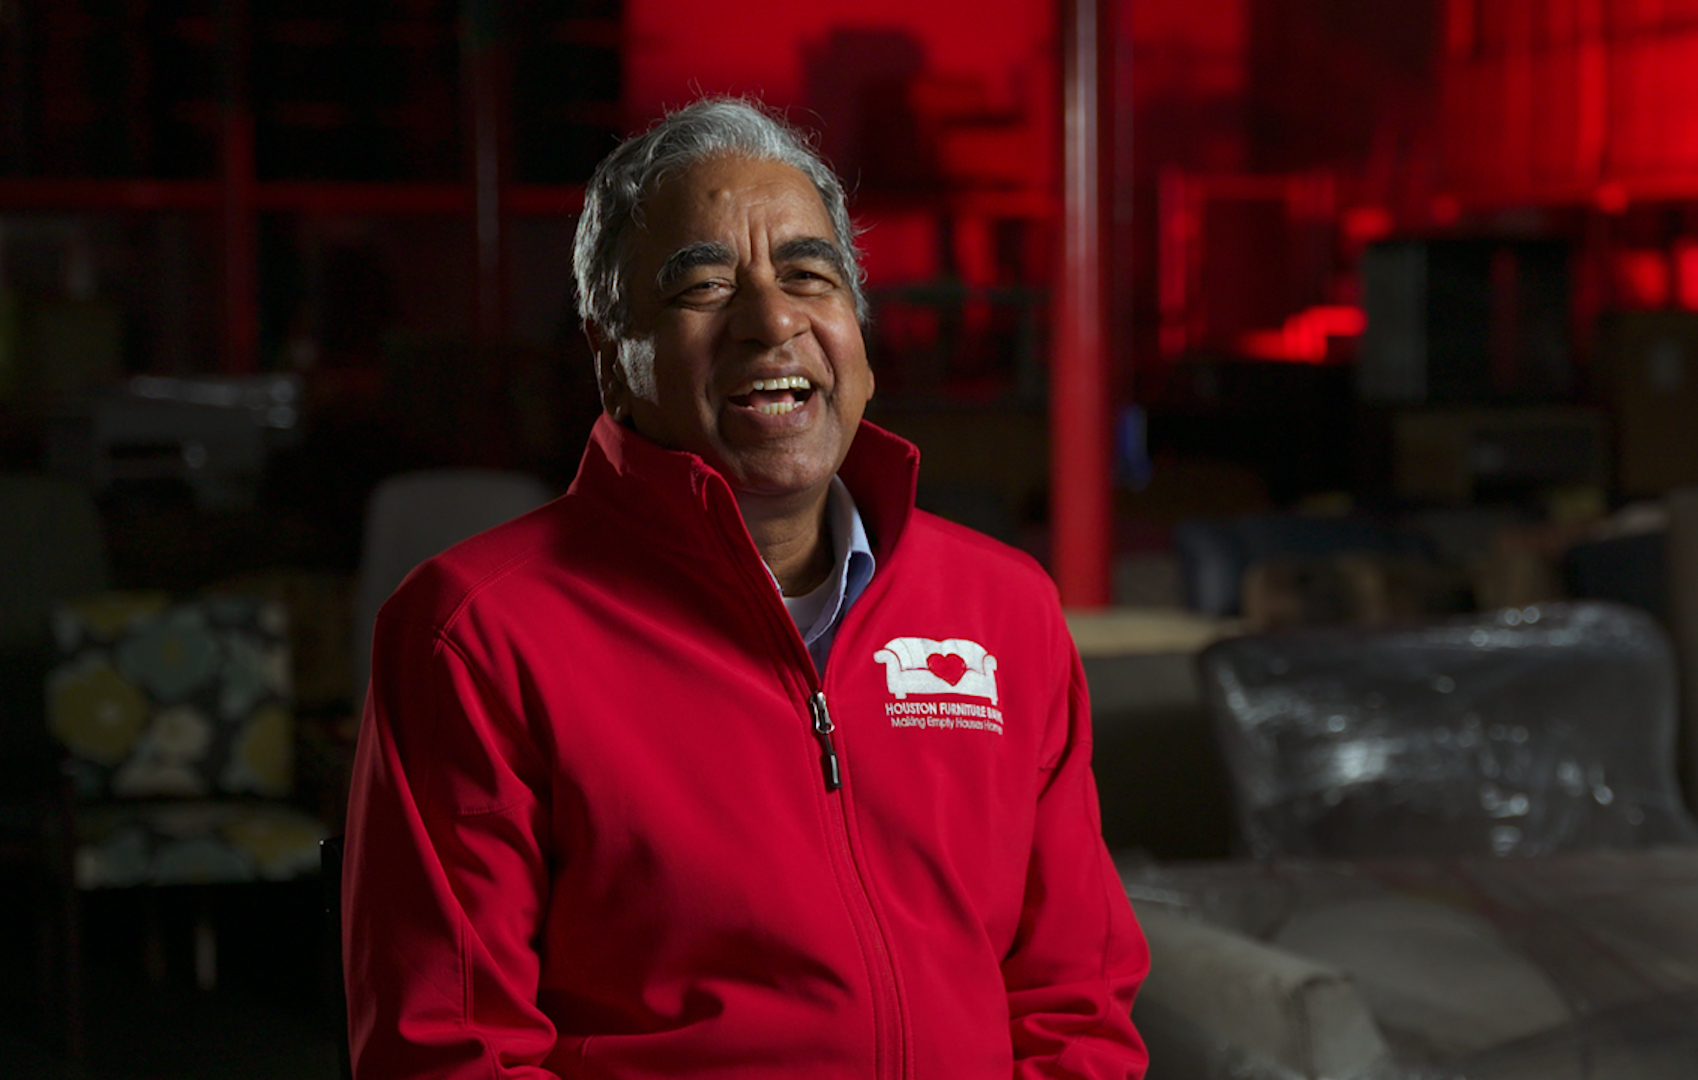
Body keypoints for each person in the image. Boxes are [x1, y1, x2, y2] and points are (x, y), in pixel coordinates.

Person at [343, 97, 1148, 1078]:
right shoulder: (474, 635)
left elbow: (1075, 1004)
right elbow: (450, 1049)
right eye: (704, 288)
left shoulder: (1003, 608)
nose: (772, 322)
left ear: (857, 333)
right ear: (613, 359)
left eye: (810, 276)